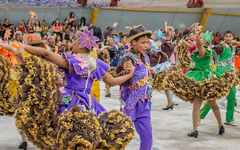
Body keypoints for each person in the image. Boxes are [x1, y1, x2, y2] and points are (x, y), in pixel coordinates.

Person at [116, 23, 175, 150]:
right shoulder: (128, 58)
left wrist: (168, 39)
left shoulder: (147, 57)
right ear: (133, 43)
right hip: (129, 104)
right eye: (143, 42)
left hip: (144, 104)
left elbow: (163, 56)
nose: (146, 45)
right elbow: (119, 78)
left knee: (148, 138)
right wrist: (126, 71)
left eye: (148, 42)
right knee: (120, 136)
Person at [199, 30, 240, 126]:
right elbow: (211, 51)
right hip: (219, 75)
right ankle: (199, 116)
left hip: (230, 76)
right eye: (226, 36)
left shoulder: (233, 47)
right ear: (224, 38)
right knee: (213, 96)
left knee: (232, 95)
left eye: (230, 36)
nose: (228, 38)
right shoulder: (221, 46)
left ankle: (229, 118)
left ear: (233, 37)